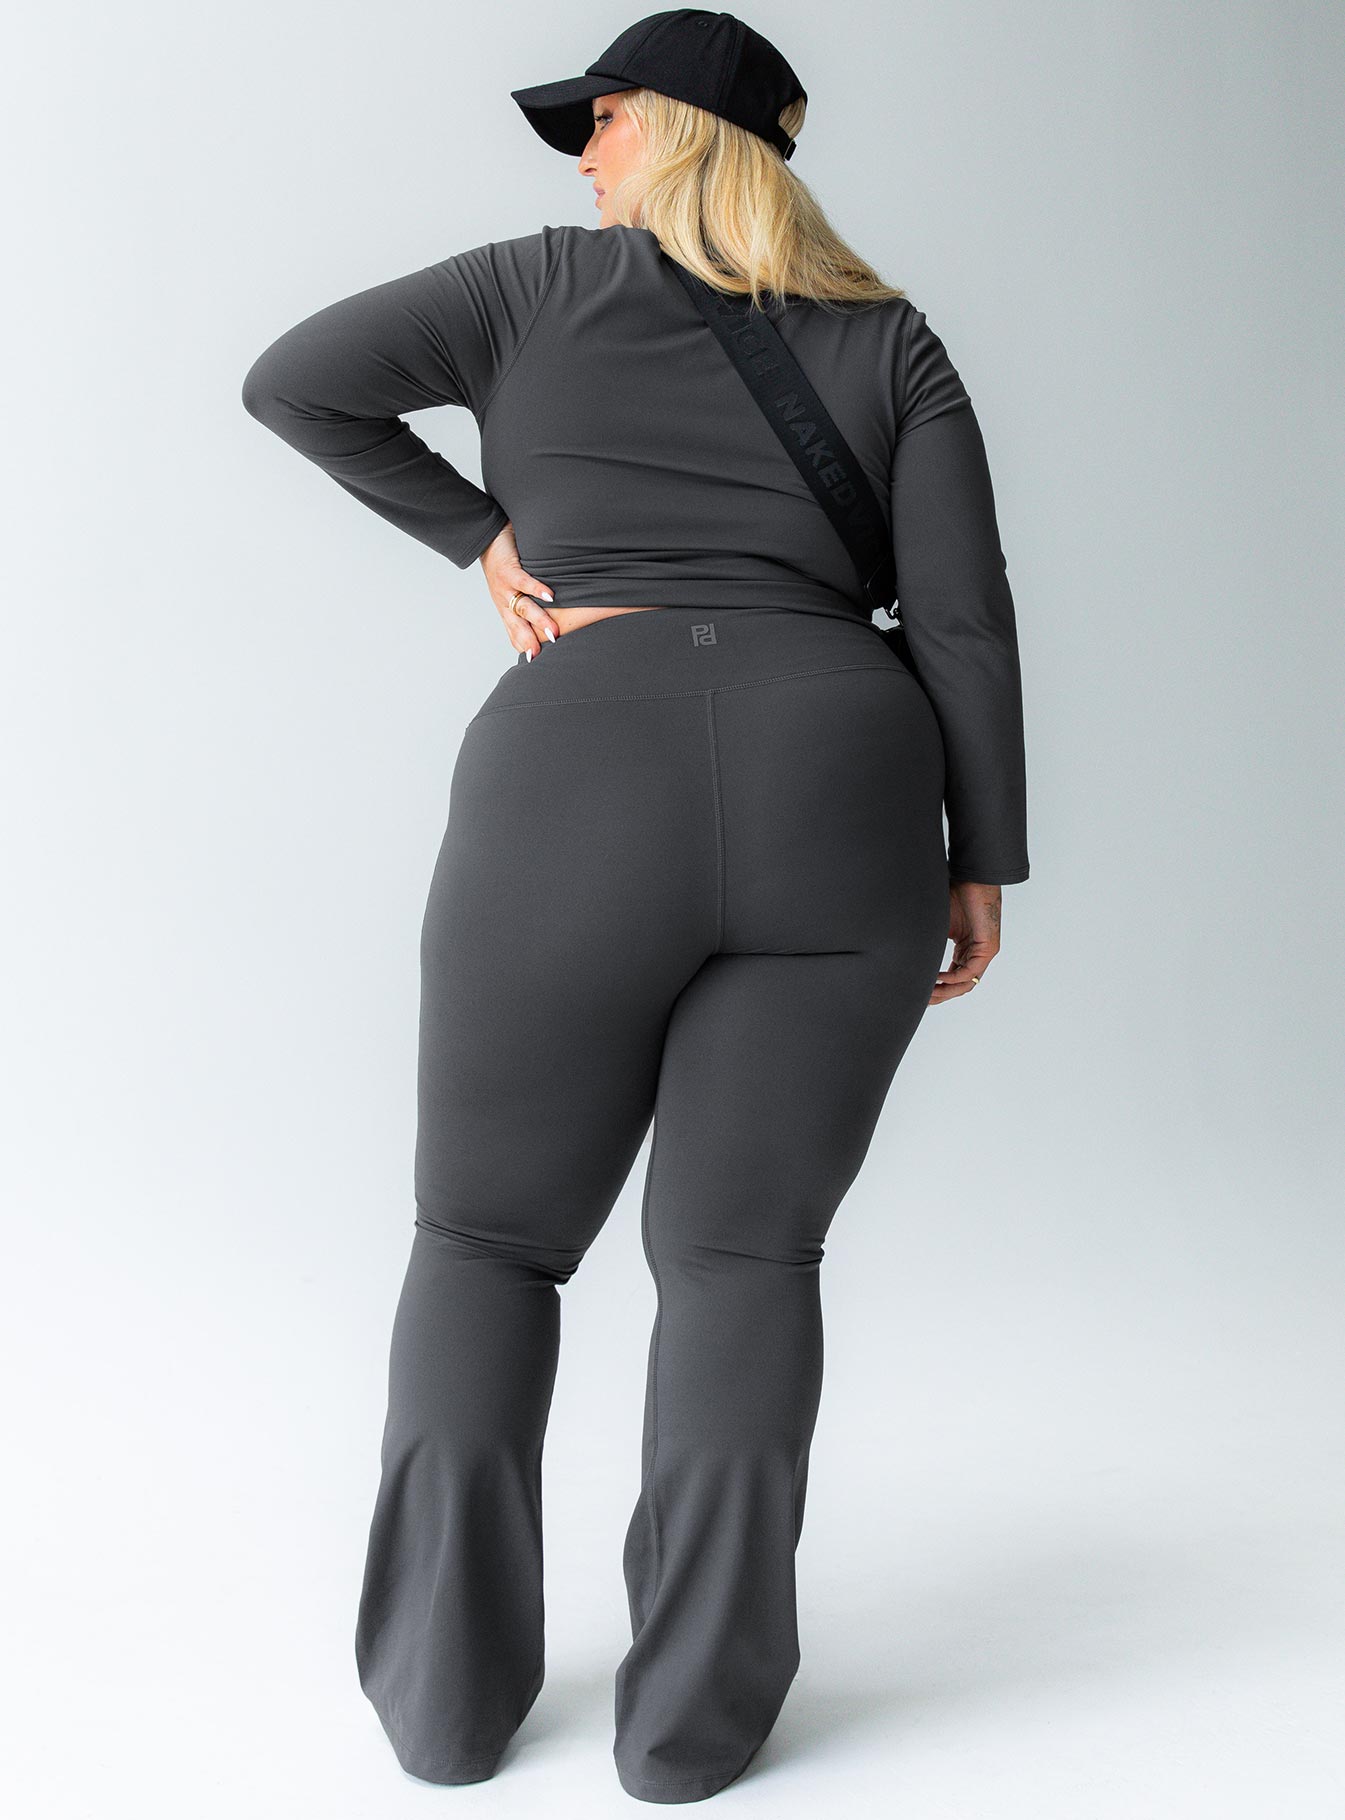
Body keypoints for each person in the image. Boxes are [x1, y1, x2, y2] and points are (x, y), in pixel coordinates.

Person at [240, 7, 1030, 1803]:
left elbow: (294, 380)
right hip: (847, 782)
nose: (577, 154)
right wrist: (979, 855)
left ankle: (444, 1709)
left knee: (485, 1243)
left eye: (591, 121)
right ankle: (690, 1732)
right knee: (745, 1259)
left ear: (660, 129)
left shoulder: (526, 287)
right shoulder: (890, 340)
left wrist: (480, 538)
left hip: (578, 765)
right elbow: (963, 614)